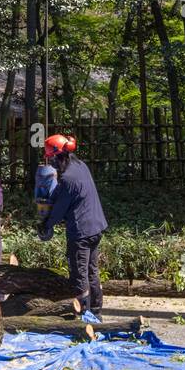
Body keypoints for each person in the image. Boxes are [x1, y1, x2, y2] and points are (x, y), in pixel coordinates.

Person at [39, 134, 108, 320]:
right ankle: (97, 312)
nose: (50, 162)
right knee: (93, 271)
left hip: (81, 232)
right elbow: (63, 191)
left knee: (79, 274)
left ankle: (84, 315)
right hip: (96, 227)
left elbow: (60, 209)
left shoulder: (69, 178)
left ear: (58, 156)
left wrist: (46, 224)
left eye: (51, 159)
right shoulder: (80, 166)